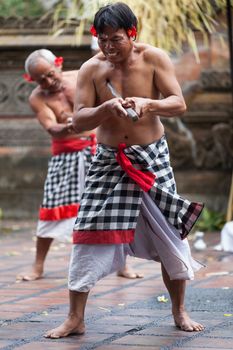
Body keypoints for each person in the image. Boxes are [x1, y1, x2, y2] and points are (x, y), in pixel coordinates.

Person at [45, 2, 205, 338]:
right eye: (102, 39)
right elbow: (78, 121)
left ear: (132, 34)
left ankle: (179, 310)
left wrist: (151, 104)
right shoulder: (92, 68)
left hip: (152, 157)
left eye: (116, 39)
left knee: (170, 234)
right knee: (87, 230)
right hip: (108, 160)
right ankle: (76, 318)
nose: (108, 47)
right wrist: (105, 108)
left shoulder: (154, 58)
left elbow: (178, 103)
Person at [17, 48, 138, 281]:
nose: (48, 82)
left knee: (114, 204)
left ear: (59, 64)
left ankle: (123, 265)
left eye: (50, 74)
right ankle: (38, 266)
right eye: (40, 80)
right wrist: (73, 126)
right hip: (66, 155)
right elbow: (52, 128)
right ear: (32, 80)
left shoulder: (81, 76)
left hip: (99, 149)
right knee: (52, 206)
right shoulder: (37, 98)